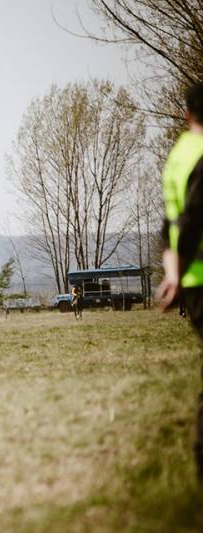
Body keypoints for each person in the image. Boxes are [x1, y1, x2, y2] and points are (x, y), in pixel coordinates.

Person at [156, 81, 203, 482]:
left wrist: (172, 275)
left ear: (188, 114)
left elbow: (168, 224)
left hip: (190, 279)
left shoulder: (177, 156)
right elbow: (191, 220)